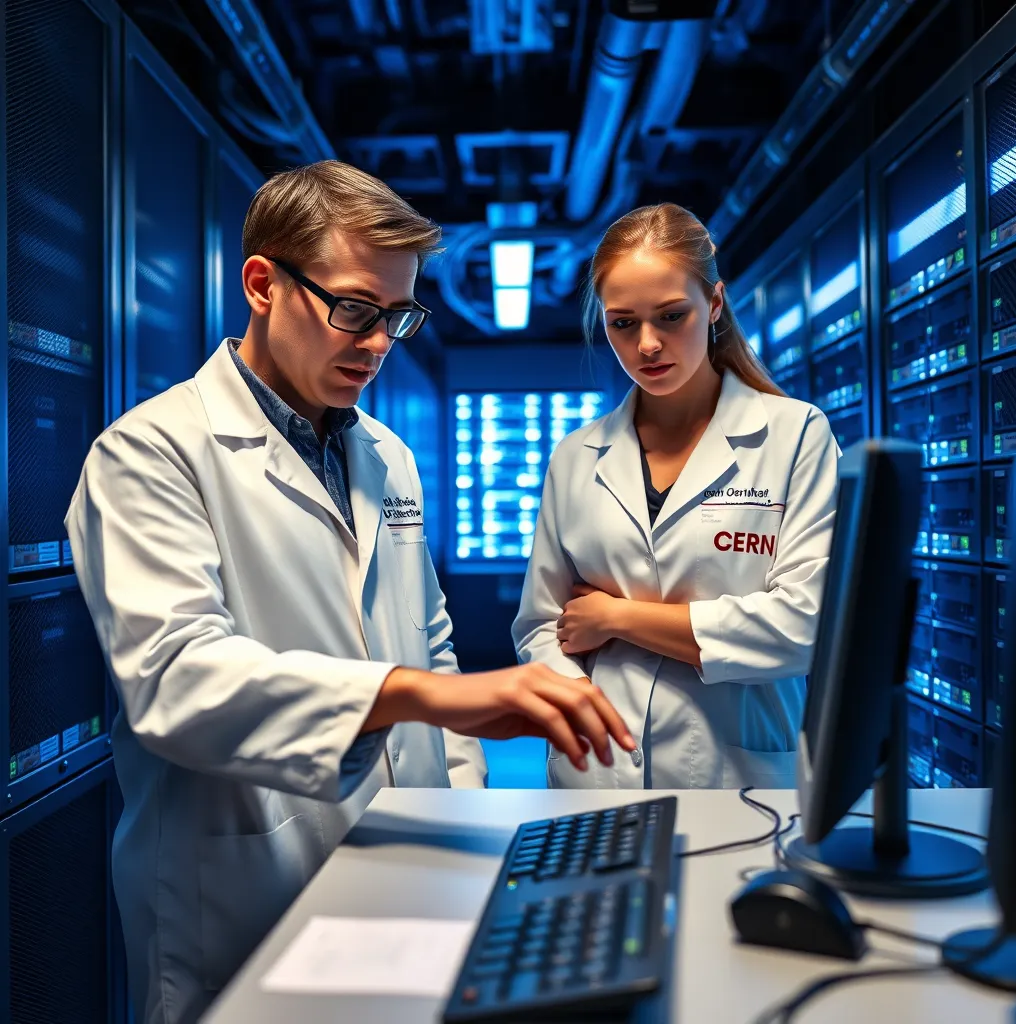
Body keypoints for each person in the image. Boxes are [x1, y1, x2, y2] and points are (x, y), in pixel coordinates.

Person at [66, 160, 635, 1024]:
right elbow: (177, 682)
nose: (377, 344)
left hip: (415, 866)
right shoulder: (149, 455)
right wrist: (424, 695)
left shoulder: (387, 455)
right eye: (355, 310)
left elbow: (430, 640)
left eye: (398, 318)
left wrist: (466, 810)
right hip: (244, 891)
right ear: (263, 283)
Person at [512, 203, 839, 791]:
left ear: (714, 304)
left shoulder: (795, 435)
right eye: (622, 323)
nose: (648, 345)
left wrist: (617, 617)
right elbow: (542, 625)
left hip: (735, 773)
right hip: (599, 764)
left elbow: (801, 627)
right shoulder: (574, 457)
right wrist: (583, 703)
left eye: (670, 316)